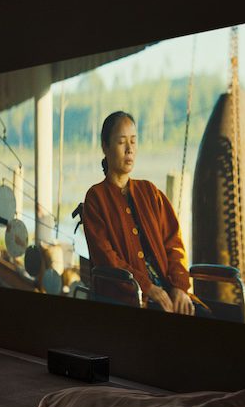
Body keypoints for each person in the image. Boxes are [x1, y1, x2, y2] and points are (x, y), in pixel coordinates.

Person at [81, 111, 195, 314]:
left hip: (167, 292)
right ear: (105, 147)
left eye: (133, 141)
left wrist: (179, 287)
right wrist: (147, 287)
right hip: (127, 297)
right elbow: (106, 257)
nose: (129, 149)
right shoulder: (96, 198)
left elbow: (173, 243)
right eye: (121, 142)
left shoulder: (150, 192)